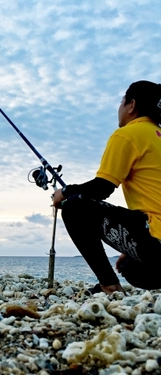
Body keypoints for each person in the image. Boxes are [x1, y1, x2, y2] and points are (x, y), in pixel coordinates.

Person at [53, 80, 161, 295]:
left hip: (156, 242)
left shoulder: (129, 134)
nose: (120, 107)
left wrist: (63, 192)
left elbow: (102, 188)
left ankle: (108, 286)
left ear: (131, 105)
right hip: (153, 238)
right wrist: (131, 248)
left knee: (75, 206)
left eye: (122, 101)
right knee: (131, 268)